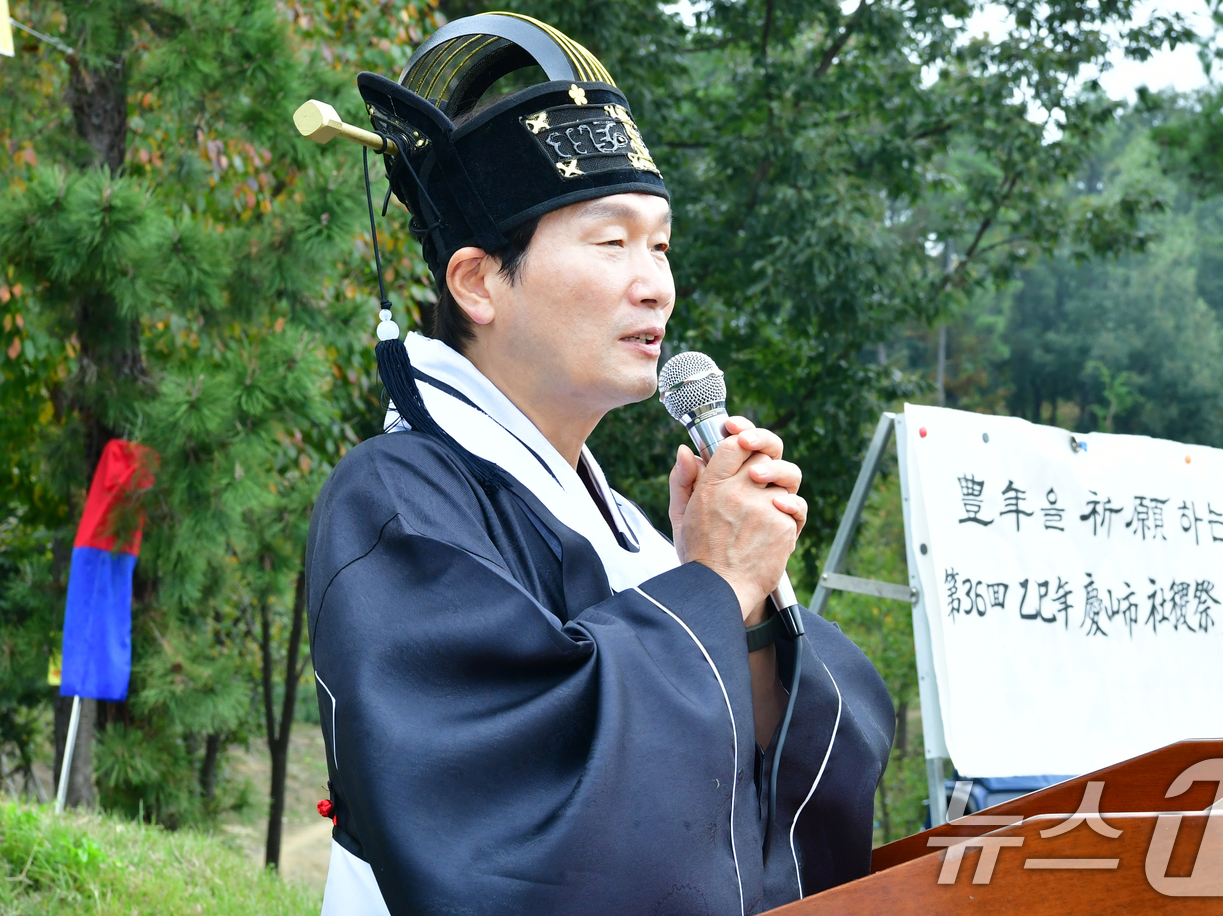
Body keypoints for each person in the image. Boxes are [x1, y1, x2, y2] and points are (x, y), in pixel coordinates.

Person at [305, 13, 894, 915]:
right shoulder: (398, 498)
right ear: (476, 281)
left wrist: (741, 596)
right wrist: (710, 586)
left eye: (659, 244)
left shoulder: (622, 520)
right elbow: (516, 816)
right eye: (611, 242)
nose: (655, 281)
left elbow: (759, 772)